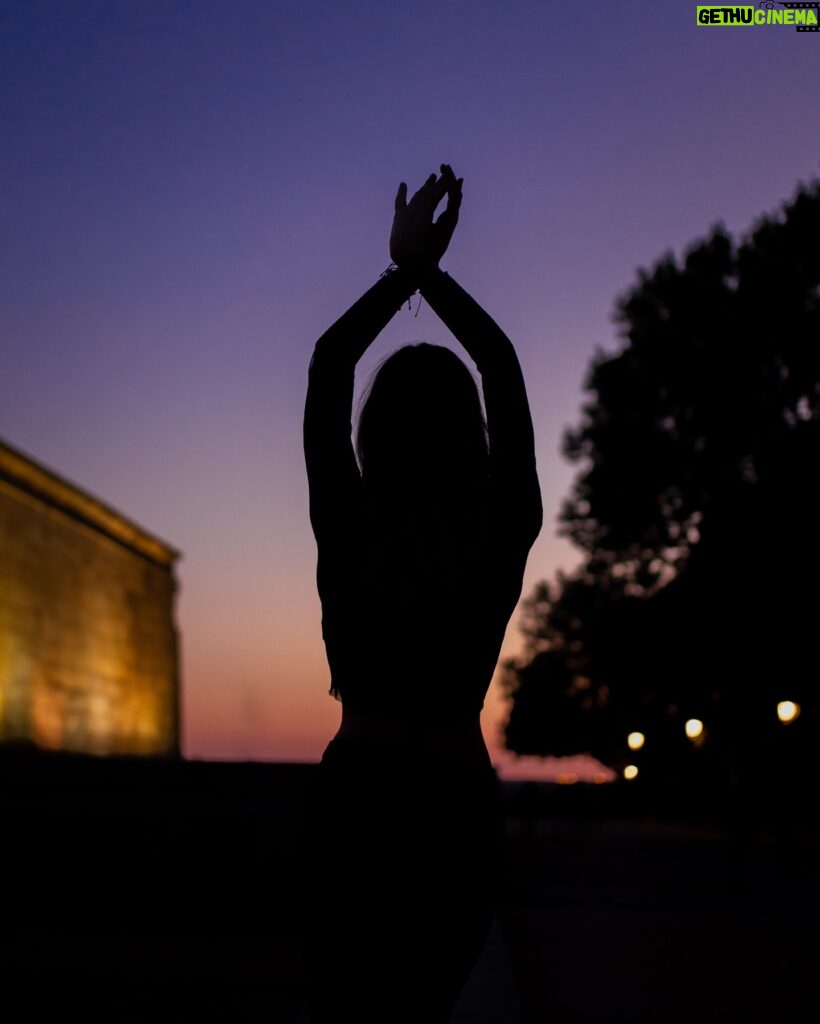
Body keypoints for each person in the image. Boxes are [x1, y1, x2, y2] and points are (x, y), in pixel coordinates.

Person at [302, 164, 542, 1022]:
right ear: (470, 434)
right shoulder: (502, 525)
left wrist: (403, 270)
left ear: (374, 433)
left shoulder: (350, 519)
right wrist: (430, 276)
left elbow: (332, 361)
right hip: (452, 804)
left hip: (357, 797)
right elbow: (502, 363)